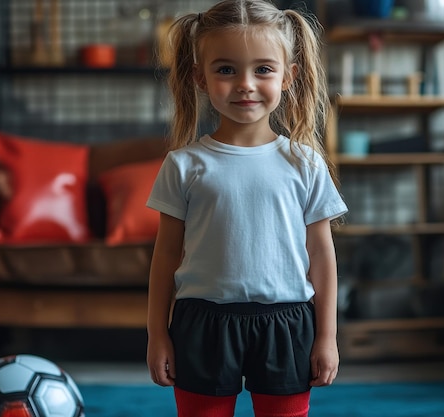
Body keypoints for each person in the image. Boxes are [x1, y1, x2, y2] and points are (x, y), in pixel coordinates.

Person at [146, 1, 347, 416]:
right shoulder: (183, 166)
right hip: (202, 324)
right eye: (225, 70)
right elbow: (166, 255)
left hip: (287, 324)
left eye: (263, 69)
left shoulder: (305, 164)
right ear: (199, 78)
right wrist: (156, 334)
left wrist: (327, 336)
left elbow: (322, 254)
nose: (245, 84)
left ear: (289, 76)